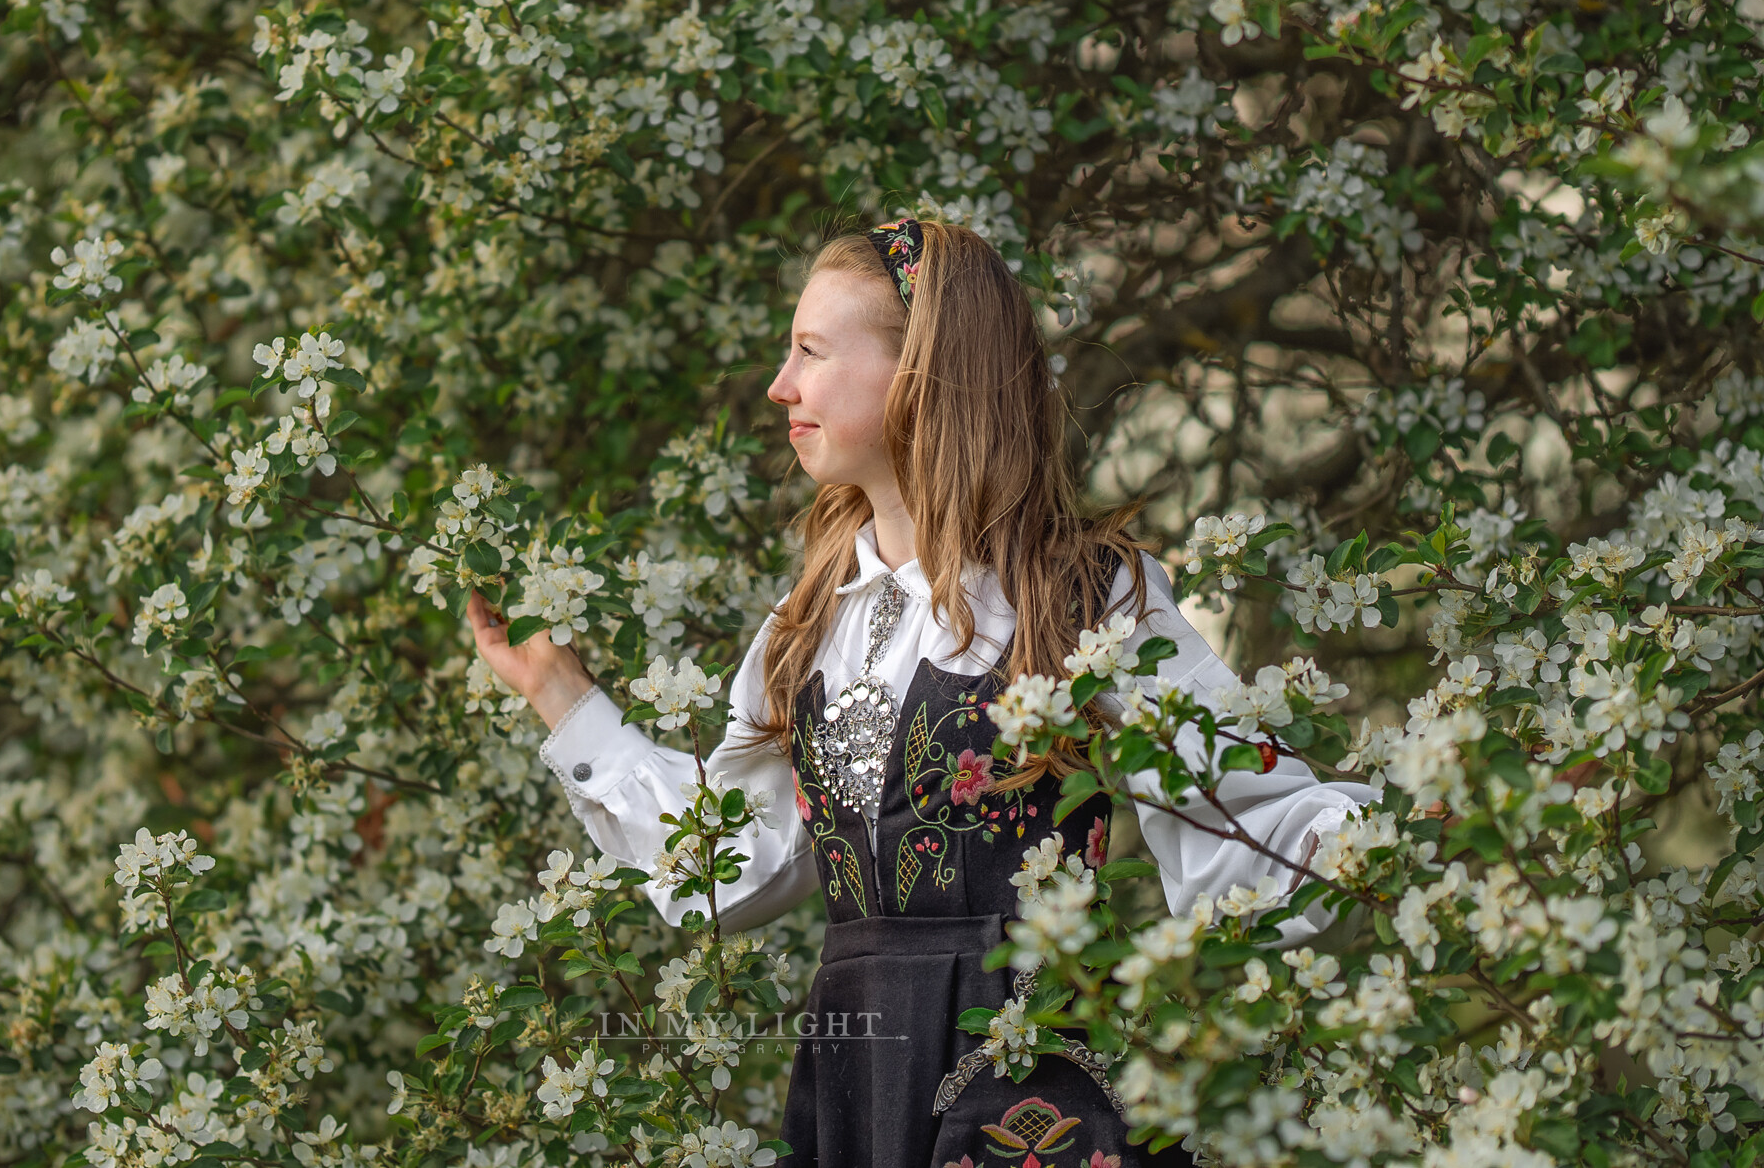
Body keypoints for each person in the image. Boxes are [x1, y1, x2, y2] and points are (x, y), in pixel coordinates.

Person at [467, 219, 1378, 1168]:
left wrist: (1379, 846)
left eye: (811, 351)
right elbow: (730, 864)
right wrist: (564, 697)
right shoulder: (806, 624)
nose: (781, 385)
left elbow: (1237, 807)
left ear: (921, 373)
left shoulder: (1080, 594)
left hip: (1032, 1079)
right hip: (860, 1084)